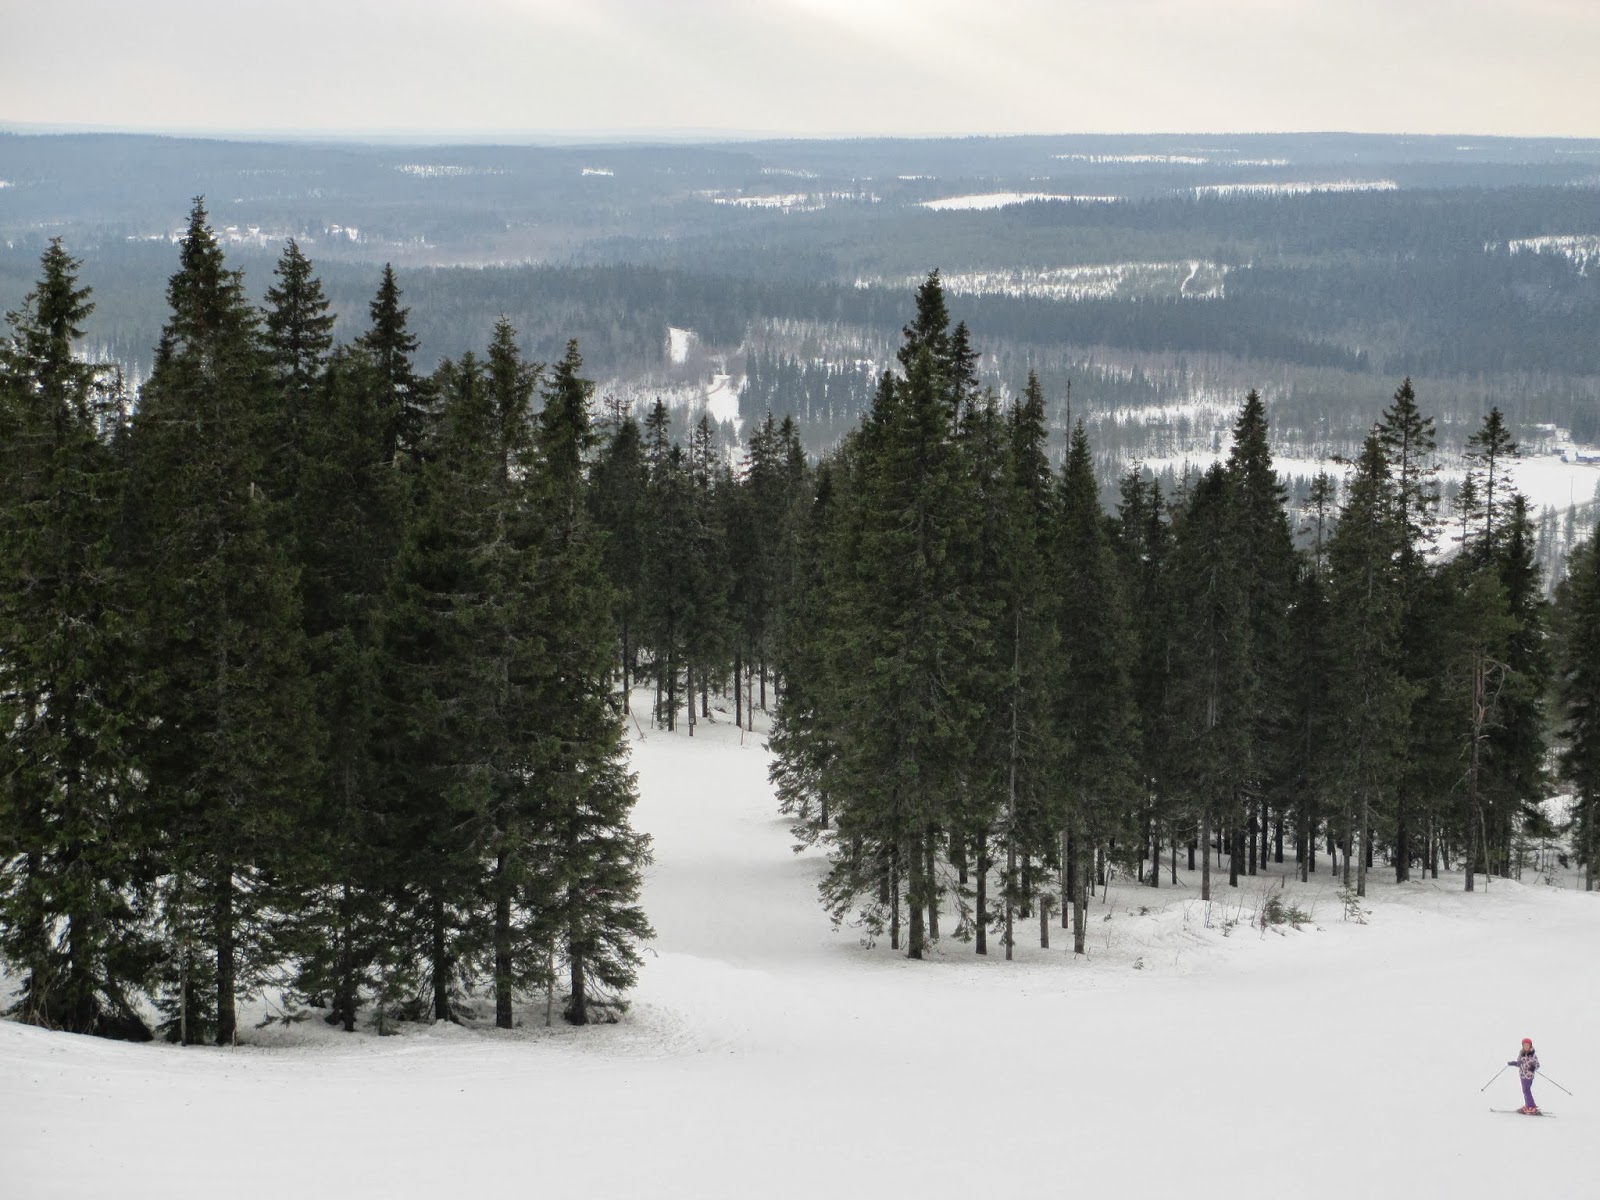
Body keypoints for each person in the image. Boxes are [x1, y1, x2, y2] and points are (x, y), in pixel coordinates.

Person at [1508, 1038, 1541, 1113]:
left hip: (1529, 1076)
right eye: (1524, 1045)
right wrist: (1514, 1063)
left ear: (1530, 1046)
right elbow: (1519, 1063)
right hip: (1522, 1075)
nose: (1526, 1046)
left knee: (1526, 1090)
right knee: (1525, 1090)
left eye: (1527, 1045)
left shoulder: (1533, 1055)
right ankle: (1528, 1105)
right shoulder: (1521, 1054)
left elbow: (1537, 1065)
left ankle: (1531, 1106)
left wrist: (1533, 1067)